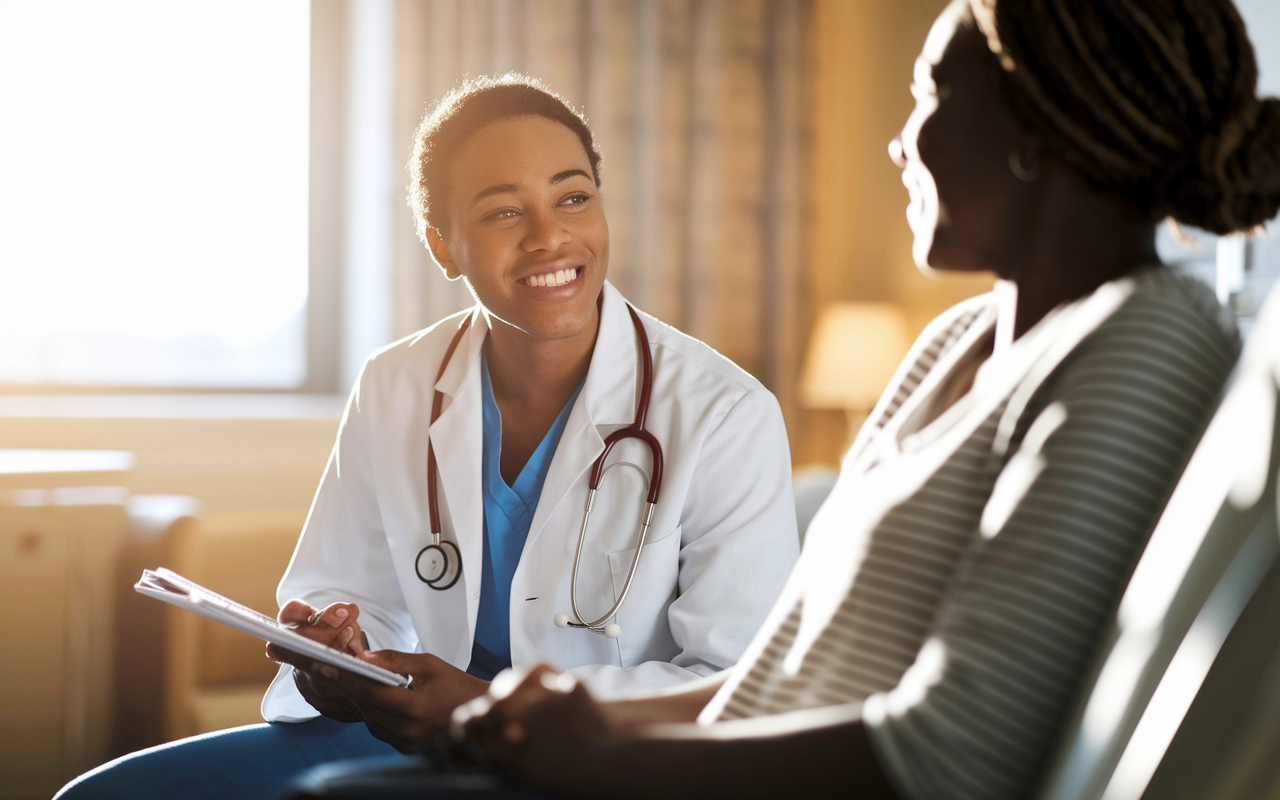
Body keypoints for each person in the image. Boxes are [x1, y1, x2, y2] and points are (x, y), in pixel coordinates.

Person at [429, 0, 1274, 798]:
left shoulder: (1148, 341)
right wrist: (564, 719)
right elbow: (777, 685)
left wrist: (606, 756)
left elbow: (948, 758)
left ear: (1035, 130)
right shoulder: (955, 338)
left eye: (930, 94)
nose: (901, 144)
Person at [57, 75, 798, 799]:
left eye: (574, 198)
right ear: (444, 248)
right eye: (504, 213)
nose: (550, 237)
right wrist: (340, 661)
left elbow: (740, 683)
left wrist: (483, 699)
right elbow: (349, 589)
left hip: (608, 761)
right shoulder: (395, 383)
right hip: (418, 737)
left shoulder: (726, 414)